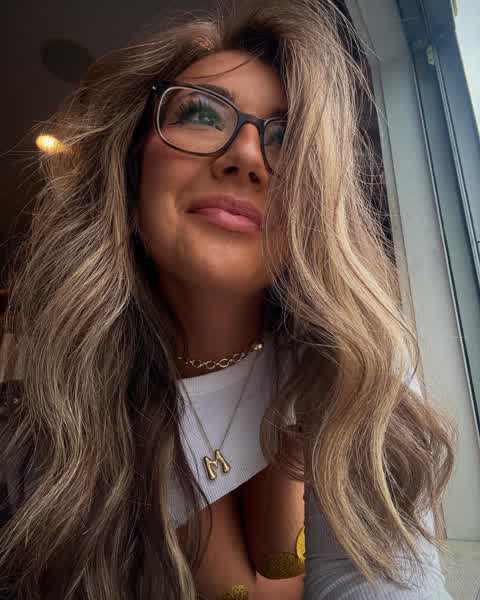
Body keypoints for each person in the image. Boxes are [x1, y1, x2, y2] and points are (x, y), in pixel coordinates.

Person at [0, 0, 458, 599]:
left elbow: (368, 574)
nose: (245, 155)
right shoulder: (49, 417)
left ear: (314, 215)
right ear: (131, 177)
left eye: (288, 138)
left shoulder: (357, 371)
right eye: (200, 114)